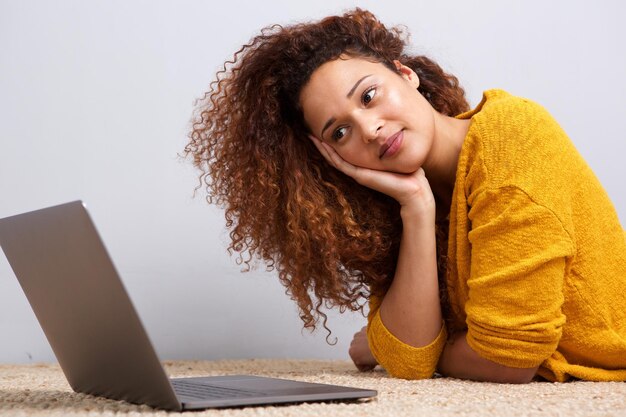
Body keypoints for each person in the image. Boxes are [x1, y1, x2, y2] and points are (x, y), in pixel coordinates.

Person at [184, 8, 626, 383]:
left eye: (370, 95)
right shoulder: (399, 201)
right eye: (340, 132)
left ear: (407, 74)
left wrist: (404, 344)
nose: (369, 128)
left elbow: (506, 362)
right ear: (332, 157)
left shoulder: (512, 138)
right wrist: (416, 207)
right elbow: (409, 359)